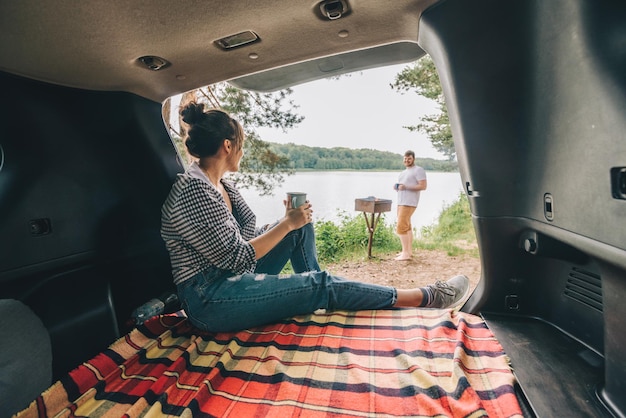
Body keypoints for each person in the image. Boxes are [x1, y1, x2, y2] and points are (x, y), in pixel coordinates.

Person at [160, 102, 469, 333]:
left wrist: (290, 223)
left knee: (300, 230)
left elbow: (246, 235)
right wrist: (285, 224)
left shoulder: (221, 184)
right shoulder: (194, 191)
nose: (242, 152)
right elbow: (237, 258)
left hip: (230, 277)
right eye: (241, 145)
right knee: (313, 272)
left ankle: (321, 292)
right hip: (210, 299)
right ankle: (425, 297)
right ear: (228, 146)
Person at [393, 150, 427, 261]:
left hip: (409, 202)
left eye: (409, 158)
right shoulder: (403, 172)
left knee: (401, 226)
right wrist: (398, 187)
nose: (407, 160)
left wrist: (406, 187)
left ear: (413, 159)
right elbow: (404, 186)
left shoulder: (418, 170)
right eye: (405, 158)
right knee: (407, 226)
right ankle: (408, 252)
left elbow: (423, 186)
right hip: (401, 201)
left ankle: (405, 254)